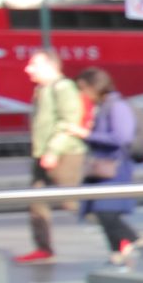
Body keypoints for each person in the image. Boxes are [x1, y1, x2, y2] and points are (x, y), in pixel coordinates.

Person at [16, 49, 88, 263]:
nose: (28, 69)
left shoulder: (64, 88)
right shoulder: (42, 90)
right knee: (36, 201)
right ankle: (43, 247)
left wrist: (53, 151)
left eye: (33, 64)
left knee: (72, 203)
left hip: (64, 154)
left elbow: (69, 122)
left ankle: (120, 231)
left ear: (50, 65)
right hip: (42, 154)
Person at [75, 67, 143, 266]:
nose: (82, 94)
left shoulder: (116, 106)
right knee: (102, 212)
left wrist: (86, 135)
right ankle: (119, 251)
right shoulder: (105, 106)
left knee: (106, 211)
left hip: (115, 169)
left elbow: (122, 137)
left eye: (83, 89)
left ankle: (138, 242)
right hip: (104, 169)